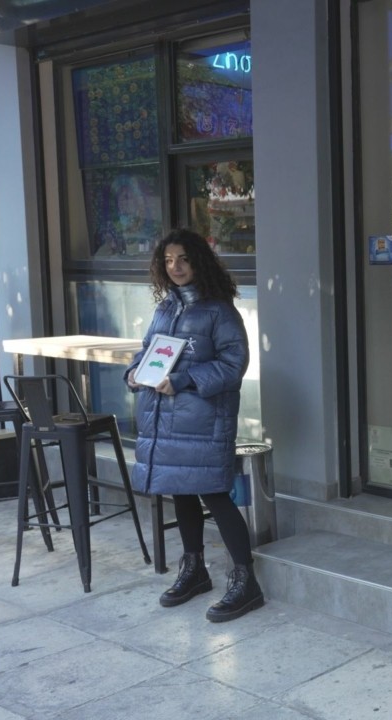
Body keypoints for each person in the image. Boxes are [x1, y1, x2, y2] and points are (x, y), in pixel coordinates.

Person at [125, 228, 263, 623]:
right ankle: (195, 569)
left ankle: (246, 581)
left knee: (215, 494)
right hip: (166, 418)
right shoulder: (165, 308)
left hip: (203, 420)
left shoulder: (219, 310)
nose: (176, 267)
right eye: (168, 260)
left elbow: (234, 364)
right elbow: (147, 351)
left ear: (198, 261)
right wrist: (134, 372)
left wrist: (184, 379)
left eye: (183, 259)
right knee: (180, 491)